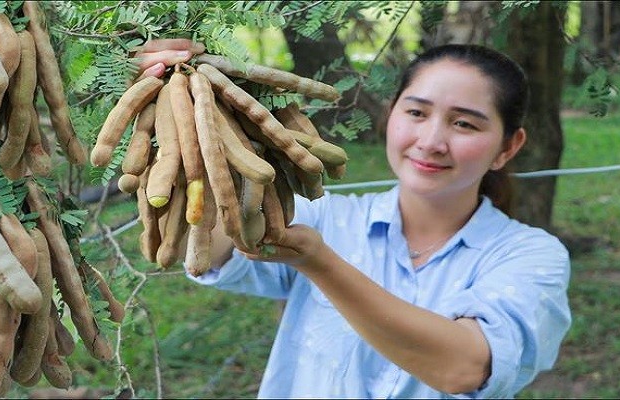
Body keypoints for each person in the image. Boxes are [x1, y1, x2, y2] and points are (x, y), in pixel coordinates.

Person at [134, 40, 572, 398]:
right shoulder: (325, 215)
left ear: (508, 147)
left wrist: (321, 265)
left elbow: (464, 368)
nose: (432, 141)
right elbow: (209, 250)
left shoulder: (531, 256)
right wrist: (185, 112)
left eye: (465, 124)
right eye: (416, 113)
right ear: (391, 115)